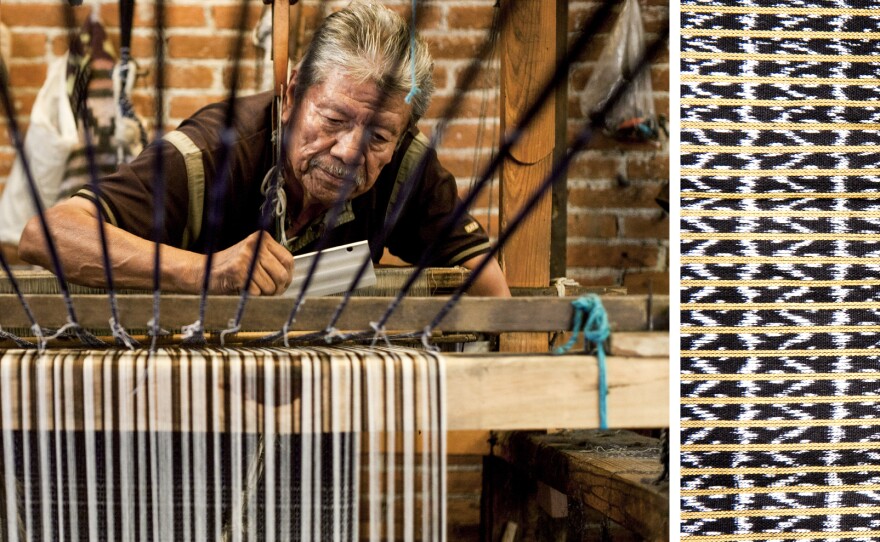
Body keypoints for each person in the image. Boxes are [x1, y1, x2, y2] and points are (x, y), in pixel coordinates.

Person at [19, 2, 510, 298]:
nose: (348, 152)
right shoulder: (212, 154)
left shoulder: (405, 163)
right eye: (334, 119)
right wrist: (206, 272)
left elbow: (483, 277)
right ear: (293, 94)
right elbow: (48, 234)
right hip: (191, 398)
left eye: (379, 136)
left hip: (316, 404)